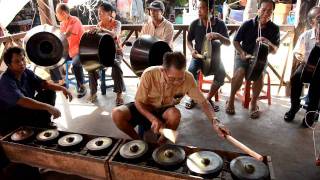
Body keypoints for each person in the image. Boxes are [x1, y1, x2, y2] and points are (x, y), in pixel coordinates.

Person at [112, 52, 229, 144]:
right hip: (146, 107)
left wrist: (215, 121)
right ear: (163, 71)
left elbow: (203, 102)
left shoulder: (188, 78)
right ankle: (138, 140)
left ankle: (161, 143)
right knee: (117, 114)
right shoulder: (149, 74)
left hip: (165, 109)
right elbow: (138, 102)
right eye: (172, 78)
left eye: (180, 78)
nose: (177, 82)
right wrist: (152, 118)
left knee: (175, 114)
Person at [225, 0, 280, 119]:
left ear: (272, 12)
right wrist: (242, 53)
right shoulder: (247, 24)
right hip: (244, 56)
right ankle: (231, 99)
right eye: (264, 9)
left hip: (260, 59)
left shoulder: (274, 28)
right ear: (259, 9)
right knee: (240, 72)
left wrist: (268, 42)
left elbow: (275, 50)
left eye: (269, 10)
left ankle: (253, 102)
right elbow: (235, 41)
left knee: (259, 75)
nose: (266, 13)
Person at [0, 47, 73, 136]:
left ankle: (44, 123)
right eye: (17, 61)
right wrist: (48, 107)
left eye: (23, 59)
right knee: (34, 106)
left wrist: (62, 88)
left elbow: (44, 84)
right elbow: (22, 101)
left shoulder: (26, 72)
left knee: (49, 92)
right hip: (12, 117)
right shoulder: (6, 80)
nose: (22, 63)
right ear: (9, 65)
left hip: (25, 110)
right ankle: (35, 126)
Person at [185, 0, 231, 111]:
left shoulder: (220, 24)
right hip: (199, 57)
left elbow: (228, 43)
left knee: (221, 73)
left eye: (202, 8)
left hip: (215, 58)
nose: (199, 11)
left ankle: (208, 99)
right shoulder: (195, 23)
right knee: (190, 71)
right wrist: (192, 51)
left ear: (210, 10)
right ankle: (195, 97)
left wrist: (219, 35)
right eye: (198, 8)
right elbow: (188, 40)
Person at [284, 6, 320, 127]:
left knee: (317, 85)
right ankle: (294, 107)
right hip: (307, 65)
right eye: (318, 18)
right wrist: (301, 58)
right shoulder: (306, 35)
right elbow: (297, 52)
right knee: (295, 78)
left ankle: (310, 114)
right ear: (312, 22)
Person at [87, 2, 126, 105]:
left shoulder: (116, 23)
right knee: (91, 66)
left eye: (102, 12)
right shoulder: (98, 25)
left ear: (109, 13)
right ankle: (93, 92)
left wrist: (101, 29)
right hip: (102, 53)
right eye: (98, 12)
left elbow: (115, 35)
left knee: (116, 65)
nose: (99, 14)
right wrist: (92, 33)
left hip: (116, 52)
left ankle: (119, 93)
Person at [50, 3, 87, 98]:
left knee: (75, 64)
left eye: (57, 13)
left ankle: (82, 86)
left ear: (64, 13)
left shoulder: (74, 20)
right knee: (51, 60)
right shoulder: (62, 24)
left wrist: (55, 38)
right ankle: (61, 82)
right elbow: (63, 39)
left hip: (80, 50)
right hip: (68, 50)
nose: (56, 15)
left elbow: (67, 34)